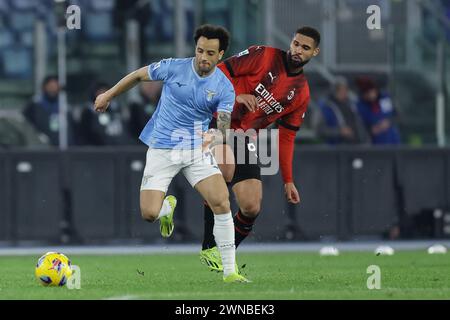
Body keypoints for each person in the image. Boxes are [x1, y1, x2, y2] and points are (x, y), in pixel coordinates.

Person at [94, 24, 249, 283]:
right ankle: (166, 209)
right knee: (149, 214)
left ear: (220, 54)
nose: (203, 57)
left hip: (195, 149)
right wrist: (109, 94)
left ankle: (230, 272)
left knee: (221, 201)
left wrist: (216, 136)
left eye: (210, 53)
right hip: (162, 147)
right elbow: (137, 76)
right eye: (200, 50)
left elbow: (223, 125)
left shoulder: (224, 87)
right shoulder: (174, 67)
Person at [199, 27, 321, 272]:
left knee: (251, 206)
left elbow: (286, 137)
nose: (298, 50)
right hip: (218, 117)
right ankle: (209, 246)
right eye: (296, 44)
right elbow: (218, 72)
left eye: (305, 48)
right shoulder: (263, 55)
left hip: (244, 136)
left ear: (314, 53)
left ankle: (225, 252)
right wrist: (236, 97)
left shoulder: (301, 93)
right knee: (224, 169)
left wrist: (288, 180)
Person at [313, 76, 369, 145]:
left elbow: (361, 125)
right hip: (336, 149)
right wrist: (339, 132)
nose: (344, 92)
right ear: (334, 90)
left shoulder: (352, 104)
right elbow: (319, 130)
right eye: (341, 89)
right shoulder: (325, 107)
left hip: (356, 146)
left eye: (345, 89)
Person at [23, 75, 74, 146]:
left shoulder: (65, 106)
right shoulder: (35, 105)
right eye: (50, 86)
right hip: (42, 148)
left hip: (63, 147)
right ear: (44, 87)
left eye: (55, 87)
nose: (53, 89)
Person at [78, 82, 134, 146]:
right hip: (97, 149)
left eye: (106, 92)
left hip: (120, 147)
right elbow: (84, 134)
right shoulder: (88, 111)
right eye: (100, 92)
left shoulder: (116, 108)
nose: (103, 95)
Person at [355, 77, 401, 145]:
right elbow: (360, 126)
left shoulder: (384, 98)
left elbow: (396, 115)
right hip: (376, 144)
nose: (370, 95)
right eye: (367, 93)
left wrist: (388, 122)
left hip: (392, 140)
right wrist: (370, 131)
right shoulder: (360, 105)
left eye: (372, 91)